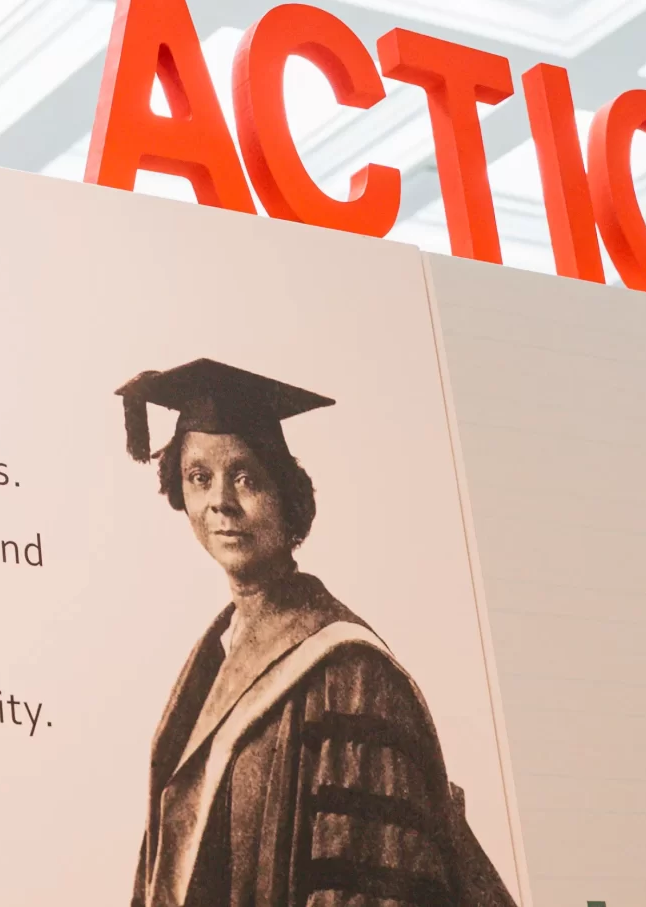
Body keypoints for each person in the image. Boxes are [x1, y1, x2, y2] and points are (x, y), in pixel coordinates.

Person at [119, 359, 515, 907]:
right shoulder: (214, 660)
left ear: (286, 496)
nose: (220, 503)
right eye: (199, 477)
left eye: (245, 477)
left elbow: (373, 880)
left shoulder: (348, 672)